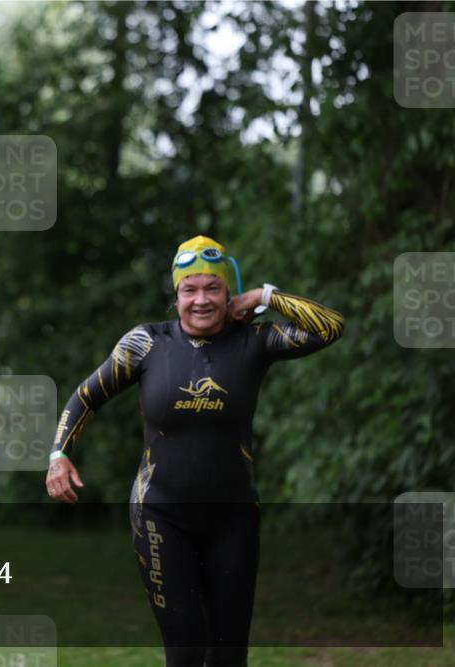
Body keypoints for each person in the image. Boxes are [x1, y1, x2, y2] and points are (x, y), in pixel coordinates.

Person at [45, 235, 345, 667]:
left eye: (212, 288)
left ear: (230, 294)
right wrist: (59, 454)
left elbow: (330, 326)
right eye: (190, 289)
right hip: (161, 514)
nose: (200, 300)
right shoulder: (146, 343)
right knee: (186, 648)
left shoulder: (254, 341)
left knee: (229, 653)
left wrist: (266, 295)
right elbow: (86, 397)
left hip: (234, 516)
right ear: (176, 294)